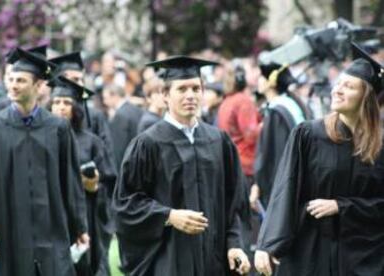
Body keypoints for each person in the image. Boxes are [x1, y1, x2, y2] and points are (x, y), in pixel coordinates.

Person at [112, 56, 251, 276]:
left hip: (214, 262)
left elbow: (234, 202)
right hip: (169, 261)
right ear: (165, 95)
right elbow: (125, 204)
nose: (190, 96)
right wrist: (168, 216)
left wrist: (234, 243)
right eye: (182, 89)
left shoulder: (219, 142)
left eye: (196, 88)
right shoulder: (149, 144)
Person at [254, 43, 384, 276]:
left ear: (366, 97)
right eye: (339, 84)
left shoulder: (380, 144)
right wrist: (267, 244)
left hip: (364, 256)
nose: (337, 90)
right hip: (313, 251)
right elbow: (286, 188)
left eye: (349, 86)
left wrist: (341, 206)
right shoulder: (309, 135)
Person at [0, 47, 89, 276]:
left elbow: (71, 181)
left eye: (21, 80)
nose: (13, 85)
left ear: (38, 86)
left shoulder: (58, 128)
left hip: (52, 226)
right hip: (8, 228)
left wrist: (79, 225)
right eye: (12, 79)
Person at [49, 76, 117, 276]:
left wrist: (93, 185)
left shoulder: (91, 142)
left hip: (84, 212)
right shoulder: (41, 138)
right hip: (52, 212)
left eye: (67, 102)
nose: (61, 107)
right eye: (56, 102)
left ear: (76, 107)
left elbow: (109, 180)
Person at [253, 63, 308, 209]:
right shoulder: (291, 104)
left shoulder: (277, 113)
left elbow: (274, 156)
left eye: (260, 77)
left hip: (283, 183)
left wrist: (259, 183)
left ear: (270, 82)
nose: (257, 80)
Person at [49, 51, 115, 153]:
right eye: (75, 79)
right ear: (61, 80)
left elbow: (107, 152)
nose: (80, 84)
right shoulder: (48, 112)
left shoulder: (94, 116)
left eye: (81, 79)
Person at [102, 84, 143, 170]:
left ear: (115, 96)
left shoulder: (120, 115)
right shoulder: (137, 109)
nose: (104, 102)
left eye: (105, 98)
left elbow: (119, 147)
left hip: (128, 164)